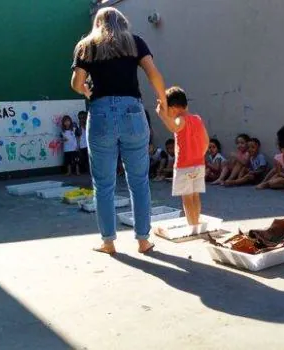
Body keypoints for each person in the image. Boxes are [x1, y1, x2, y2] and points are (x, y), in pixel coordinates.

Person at [71, 7, 166, 254]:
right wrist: (163, 101)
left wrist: (86, 91)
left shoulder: (87, 45)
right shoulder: (135, 42)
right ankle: (143, 241)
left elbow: (77, 83)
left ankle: (108, 242)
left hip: (101, 113)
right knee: (139, 181)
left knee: (103, 184)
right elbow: (153, 74)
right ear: (122, 22)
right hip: (132, 112)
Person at [156, 86, 209, 230]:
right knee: (195, 195)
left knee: (186, 198)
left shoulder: (180, 119)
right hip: (198, 163)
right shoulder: (197, 119)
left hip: (184, 165)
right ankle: (196, 222)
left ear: (173, 108)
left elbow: (174, 127)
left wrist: (162, 115)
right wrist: (200, 155)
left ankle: (192, 226)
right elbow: (206, 141)